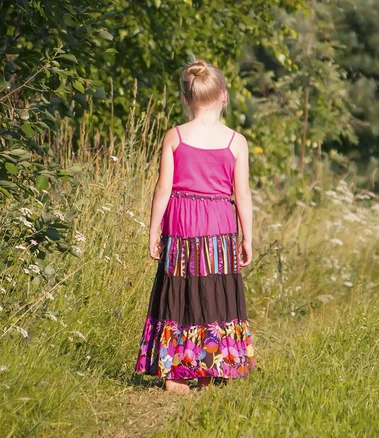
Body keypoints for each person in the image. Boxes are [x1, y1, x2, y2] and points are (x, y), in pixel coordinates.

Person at [134, 59, 256, 393]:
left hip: (181, 221)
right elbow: (242, 194)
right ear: (224, 97)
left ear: (186, 99)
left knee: (179, 289)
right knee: (213, 290)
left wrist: (153, 231)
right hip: (219, 224)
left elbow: (163, 188)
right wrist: (248, 237)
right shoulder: (236, 141)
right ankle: (208, 364)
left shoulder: (174, 136)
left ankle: (175, 370)